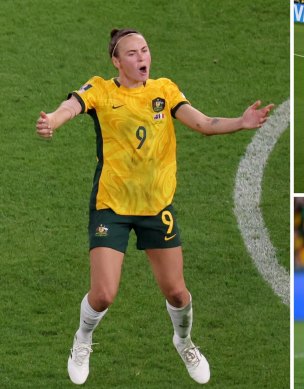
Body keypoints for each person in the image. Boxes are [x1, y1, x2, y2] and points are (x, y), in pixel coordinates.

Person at [35, 28, 273, 385]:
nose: (142, 58)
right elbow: (72, 106)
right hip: (112, 205)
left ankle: (184, 341)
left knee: (177, 292)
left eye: (144, 50)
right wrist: (53, 120)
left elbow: (204, 123)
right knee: (102, 294)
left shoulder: (164, 90)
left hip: (156, 206)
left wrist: (241, 123)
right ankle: (82, 339)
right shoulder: (100, 88)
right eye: (132, 53)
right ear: (116, 61)